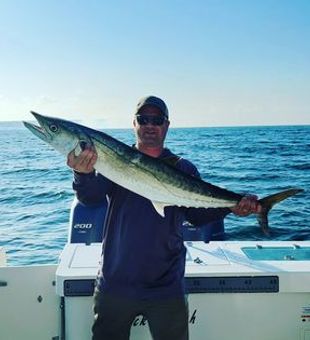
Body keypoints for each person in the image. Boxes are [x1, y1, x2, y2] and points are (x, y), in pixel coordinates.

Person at [67, 95, 261, 340]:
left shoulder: (183, 168)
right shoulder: (113, 160)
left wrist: (232, 207)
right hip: (116, 282)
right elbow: (90, 199)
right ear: (134, 124)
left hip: (167, 284)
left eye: (157, 120)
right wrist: (81, 174)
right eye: (143, 119)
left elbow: (197, 217)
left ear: (166, 125)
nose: (150, 125)